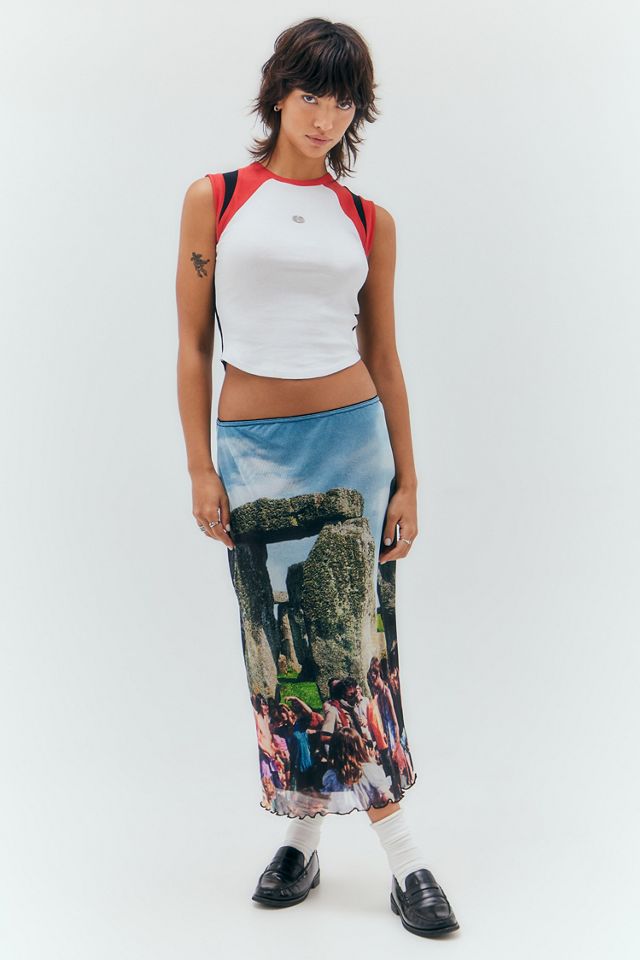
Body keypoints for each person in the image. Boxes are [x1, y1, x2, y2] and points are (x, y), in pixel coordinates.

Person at [175, 16, 459, 937]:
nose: (325, 115)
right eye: (311, 94)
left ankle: (403, 856)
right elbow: (193, 346)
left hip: (354, 446)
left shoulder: (368, 221)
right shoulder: (216, 198)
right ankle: (301, 835)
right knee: (280, 653)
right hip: (252, 453)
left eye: (342, 101)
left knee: (356, 650)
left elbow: (386, 354)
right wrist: (200, 466)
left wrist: (408, 480)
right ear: (278, 94)